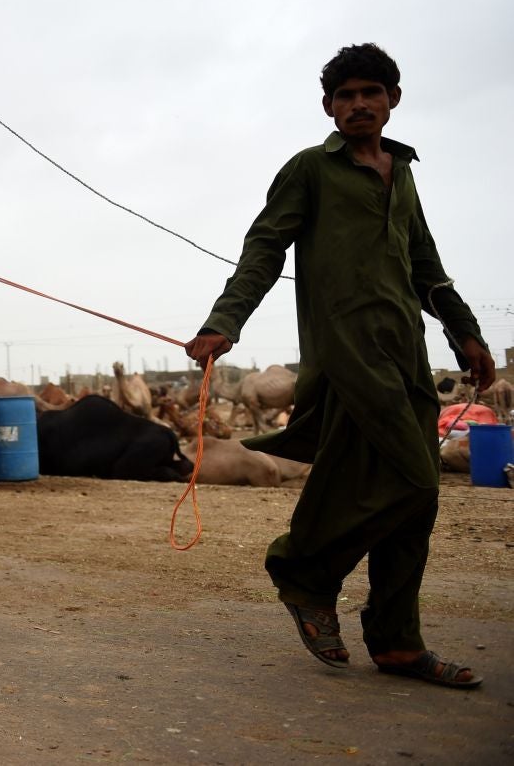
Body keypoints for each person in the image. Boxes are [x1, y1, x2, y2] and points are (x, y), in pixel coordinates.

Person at [184, 43, 495, 689]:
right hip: (345, 357)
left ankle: (396, 644)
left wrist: (465, 333)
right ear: (328, 107)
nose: (357, 104)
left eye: (369, 93)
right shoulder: (309, 171)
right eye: (344, 96)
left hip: (406, 356)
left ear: (392, 100)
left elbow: (427, 271)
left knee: (416, 508)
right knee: (419, 481)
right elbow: (265, 246)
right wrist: (225, 320)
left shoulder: (401, 174)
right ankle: (302, 571)